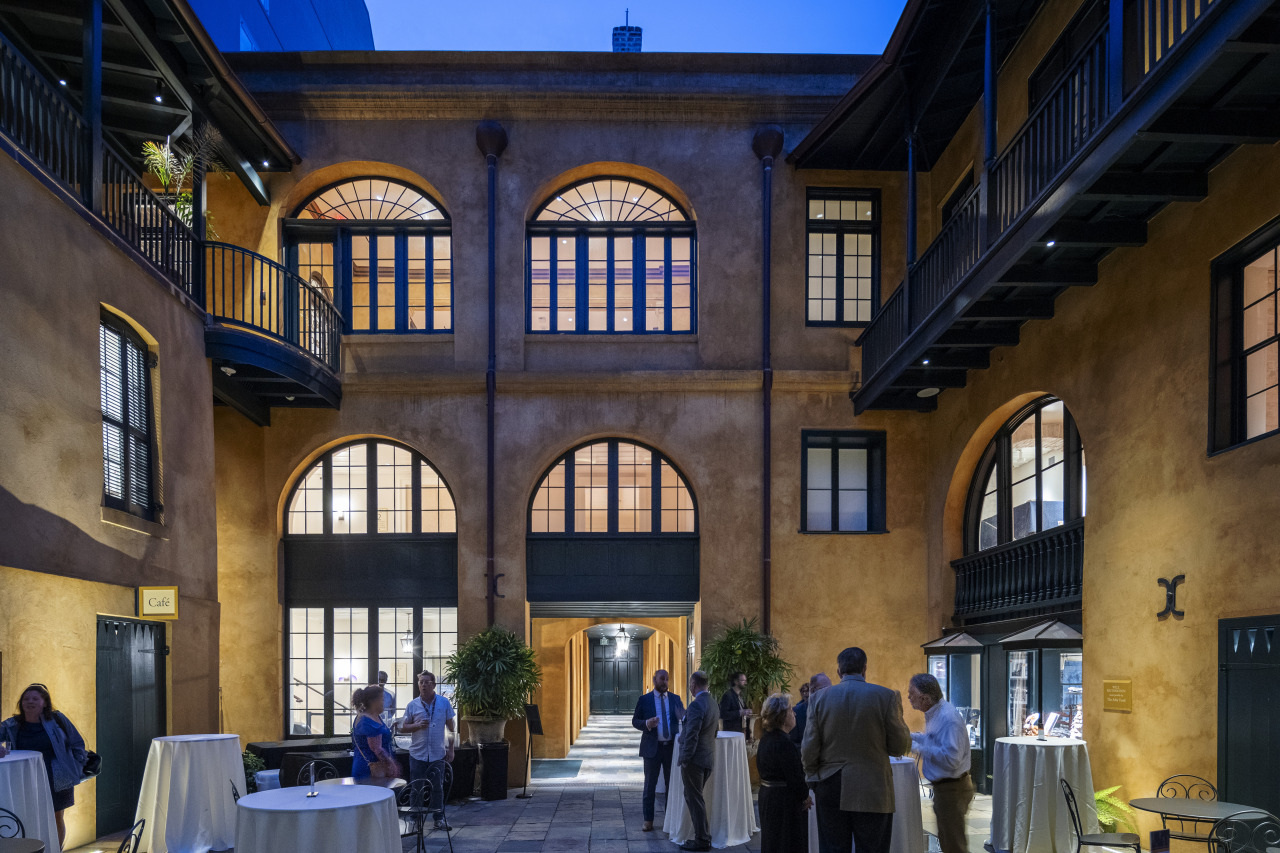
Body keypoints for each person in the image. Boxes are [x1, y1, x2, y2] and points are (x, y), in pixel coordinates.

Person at [801, 648, 911, 853]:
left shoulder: (818, 699)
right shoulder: (886, 696)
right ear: (865, 668)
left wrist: (812, 777)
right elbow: (899, 747)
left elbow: (809, 747)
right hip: (874, 787)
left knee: (833, 848)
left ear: (838, 671)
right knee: (873, 848)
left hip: (831, 783)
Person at [0, 684, 88, 846]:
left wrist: (76, 763)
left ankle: (56, 849)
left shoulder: (57, 720)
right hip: (26, 778)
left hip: (57, 776)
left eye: (35, 698)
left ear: (45, 703)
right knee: (28, 814)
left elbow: (77, 742)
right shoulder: (12, 724)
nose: (30, 702)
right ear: (21, 703)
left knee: (56, 815)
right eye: (26, 699)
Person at [908, 673, 973, 853]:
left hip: (952, 789)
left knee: (954, 844)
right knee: (948, 840)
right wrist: (912, 737)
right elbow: (934, 740)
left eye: (911, 693)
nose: (908, 697)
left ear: (925, 697)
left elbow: (951, 759)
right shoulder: (935, 713)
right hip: (946, 789)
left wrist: (917, 747)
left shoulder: (948, 718)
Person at [401, 670, 456, 830]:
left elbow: (451, 728)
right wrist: (417, 726)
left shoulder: (443, 703)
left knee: (437, 787)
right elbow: (403, 727)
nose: (424, 685)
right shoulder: (412, 705)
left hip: (438, 753)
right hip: (417, 753)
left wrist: (451, 749)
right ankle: (414, 818)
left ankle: (439, 818)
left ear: (434, 684)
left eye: (427, 682)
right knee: (416, 787)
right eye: (421, 682)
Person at [633, 669, 686, 831]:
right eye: (662, 679)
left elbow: (684, 718)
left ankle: (671, 819)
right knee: (650, 785)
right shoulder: (645, 700)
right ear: (654, 680)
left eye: (667, 679)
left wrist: (683, 717)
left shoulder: (675, 699)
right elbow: (635, 720)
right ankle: (648, 820)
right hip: (652, 749)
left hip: (671, 748)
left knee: (672, 785)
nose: (665, 682)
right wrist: (647, 724)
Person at [758, 693, 811, 853]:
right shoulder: (783, 743)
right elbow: (794, 776)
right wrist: (805, 796)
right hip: (784, 802)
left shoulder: (767, 738)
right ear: (781, 716)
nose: (794, 713)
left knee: (772, 841)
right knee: (786, 842)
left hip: (769, 796)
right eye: (790, 710)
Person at [678, 670, 718, 852]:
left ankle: (702, 839)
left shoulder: (696, 706)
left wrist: (685, 758)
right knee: (695, 798)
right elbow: (714, 732)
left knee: (695, 800)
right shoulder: (713, 703)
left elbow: (691, 735)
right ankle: (702, 837)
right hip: (708, 757)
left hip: (694, 760)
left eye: (690, 684)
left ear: (693, 685)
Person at [351, 684, 399, 780]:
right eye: (382, 699)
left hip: (376, 769)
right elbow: (377, 749)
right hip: (370, 770)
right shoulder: (366, 720)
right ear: (373, 701)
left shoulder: (374, 716)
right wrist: (392, 765)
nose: (384, 703)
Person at [791, 673, 832, 746]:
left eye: (830, 689)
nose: (828, 693)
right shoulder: (796, 713)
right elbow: (793, 744)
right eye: (824, 690)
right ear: (812, 690)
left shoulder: (833, 710)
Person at [719, 671, 752, 741]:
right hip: (730, 733)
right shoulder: (727, 695)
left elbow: (743, 711)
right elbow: (723, 714)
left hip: (740, 732)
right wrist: (740, 712)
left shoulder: (741, 696)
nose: (745, 683)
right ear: (736, 681)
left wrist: (747, 712)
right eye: (743, 680)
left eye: (745, 681)